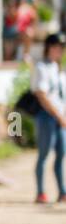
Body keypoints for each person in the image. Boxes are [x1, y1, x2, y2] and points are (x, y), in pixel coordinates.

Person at [32, 32, 66, 204]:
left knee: (61, 155)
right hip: (47, 117)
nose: (60, 51)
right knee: (44, 155)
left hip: (60, 118)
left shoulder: (58, 69)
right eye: (57, 47)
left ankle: (62, 190)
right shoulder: (41, 67)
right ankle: (40, 192)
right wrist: (59, 115)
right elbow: (42, 95)